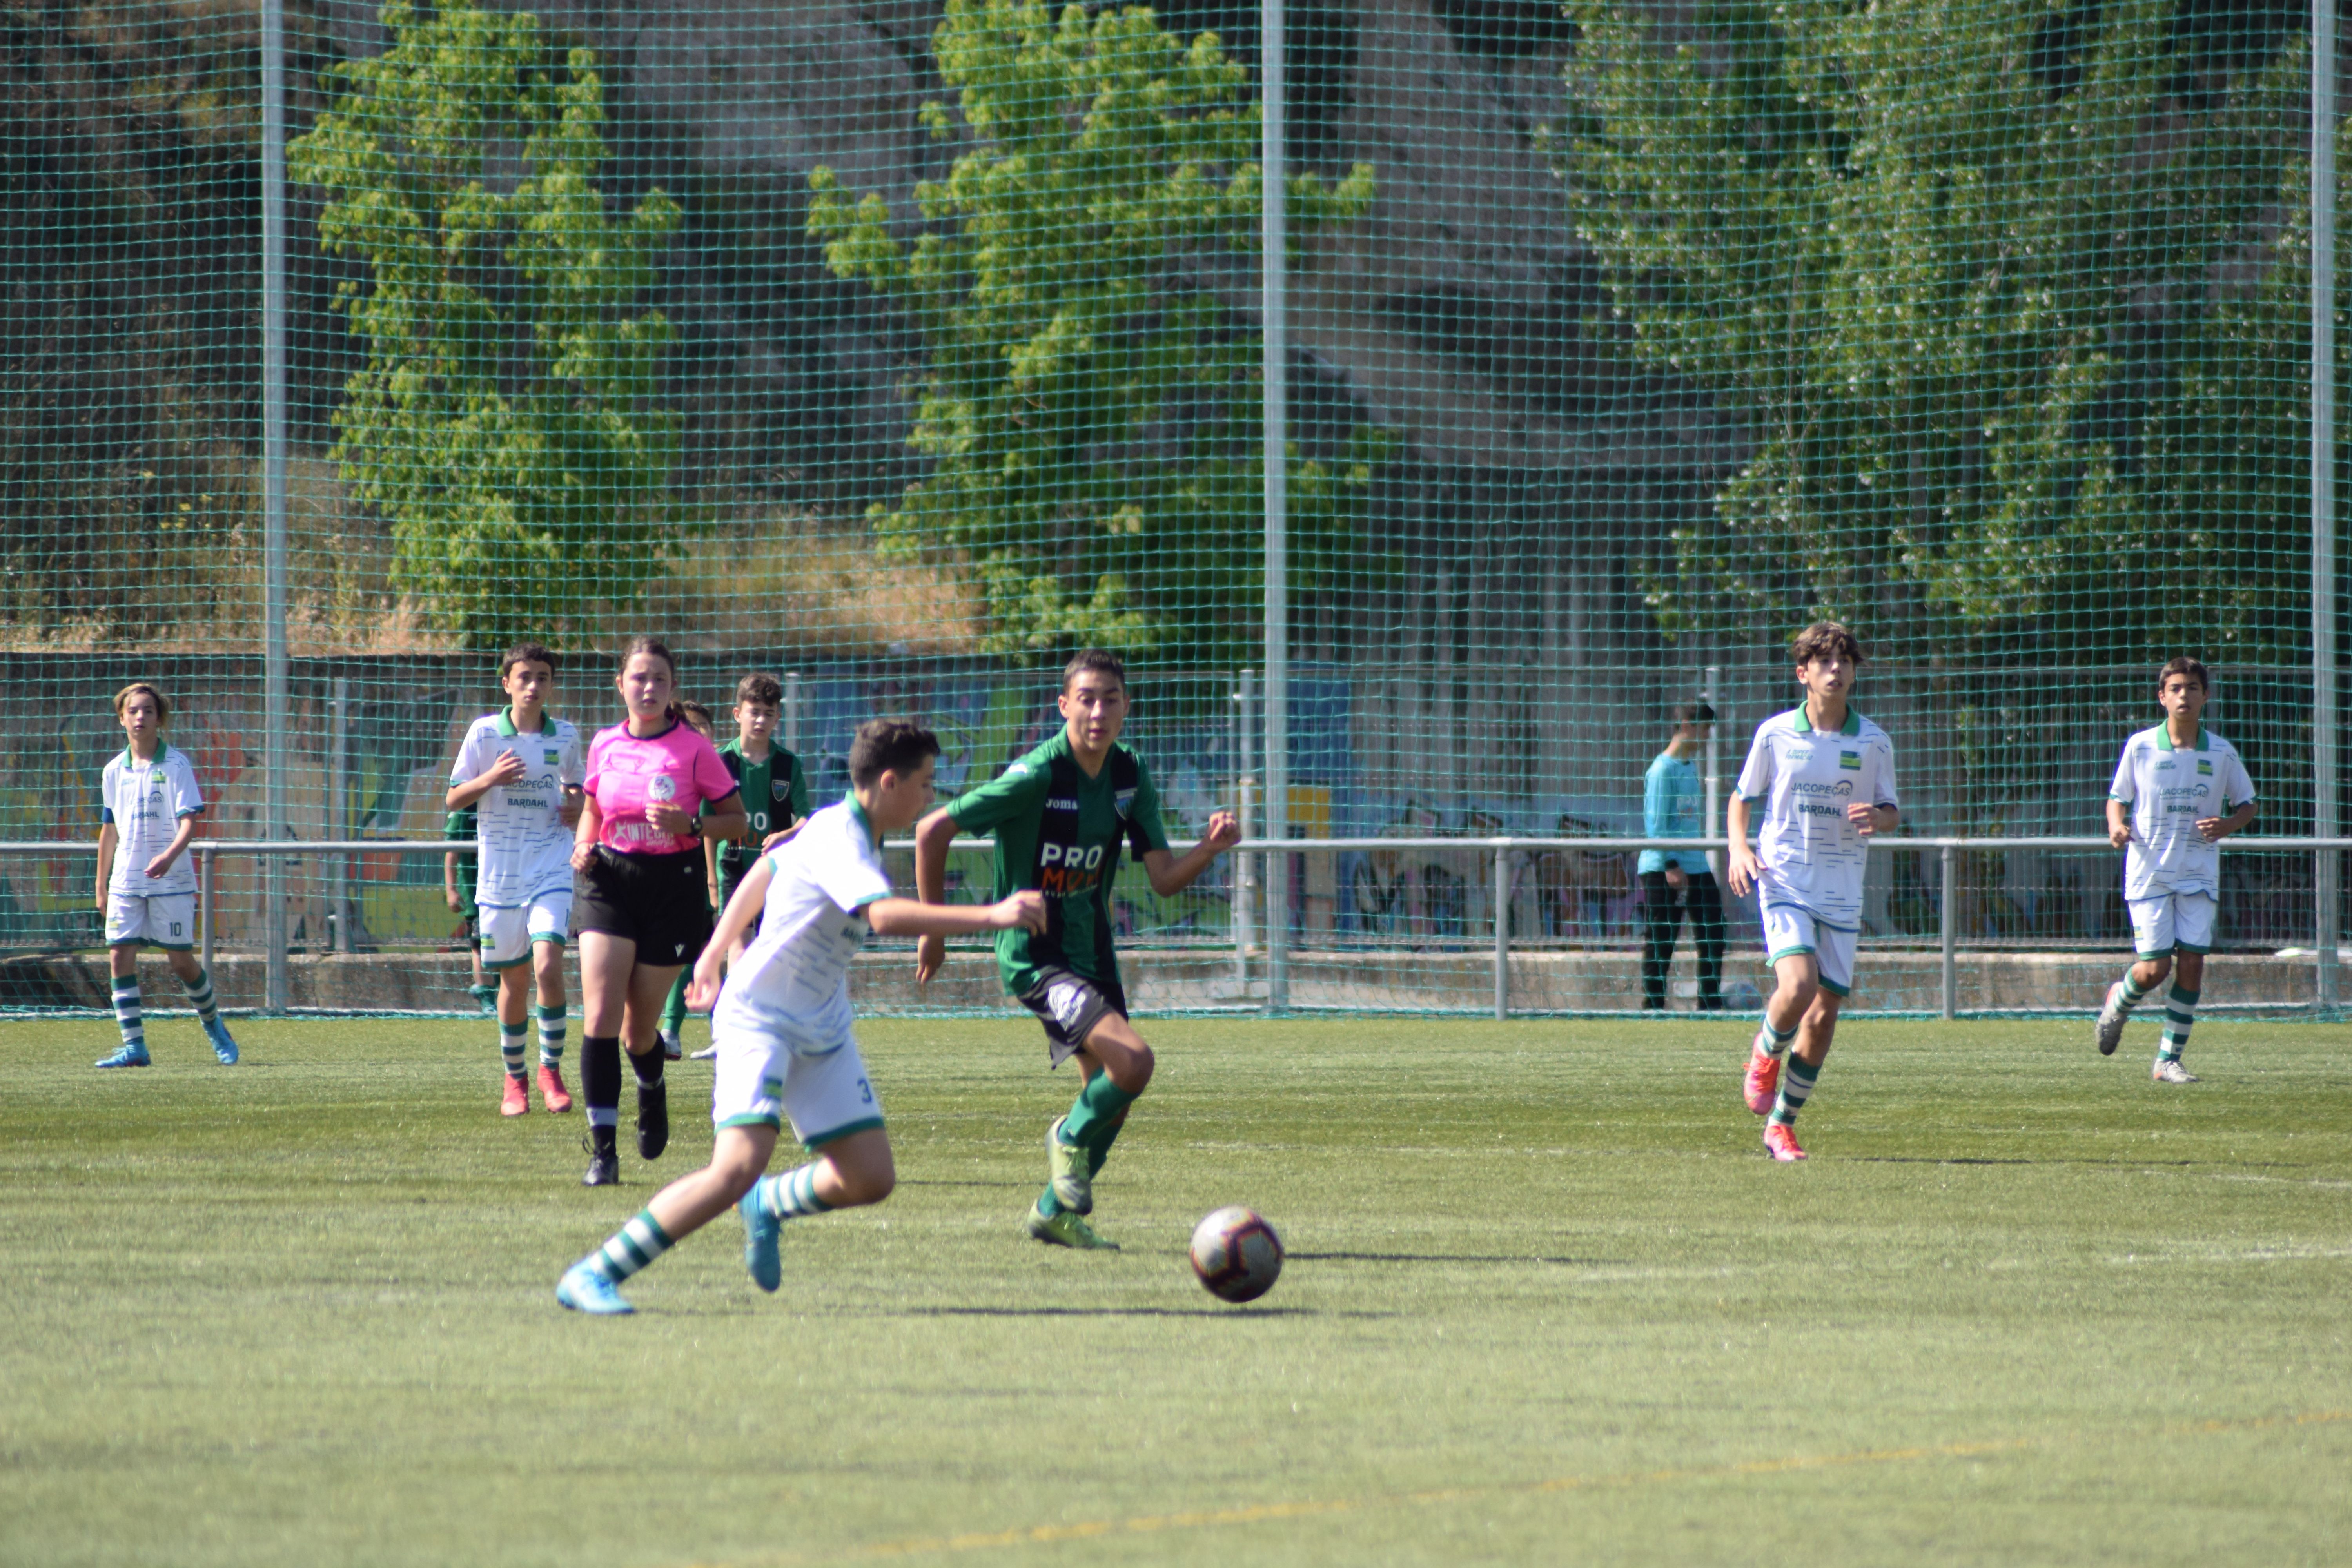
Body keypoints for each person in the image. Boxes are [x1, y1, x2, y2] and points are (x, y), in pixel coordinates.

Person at [556, 720, 1048, 1314]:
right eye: (925, 784)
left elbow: (767, 870)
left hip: (822, 1024)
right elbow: (885, 918)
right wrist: (995, 916)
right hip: (761, 1019)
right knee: (735, 1166)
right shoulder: (844, 836)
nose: (931, 797)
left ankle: (769, 1204)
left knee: (870, 1177)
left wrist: (715, 951)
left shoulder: (838, 824)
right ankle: (596, 1272)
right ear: (889, 783)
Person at [912, 649, 1240, 1249]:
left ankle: (1051, 1213)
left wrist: (1210, 849)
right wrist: (935, 930)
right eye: (1085, 698)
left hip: (1093, 956)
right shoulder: (1038, 775)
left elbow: (1163, 880)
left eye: (1109, 698)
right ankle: (1066, 1136)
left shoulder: (1128, 775)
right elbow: (932, 830)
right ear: (1064, 706)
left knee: (1116, 1097)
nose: (1098, 710)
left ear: (1126, 707)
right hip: (1036, 957)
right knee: (1136, 1063)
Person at [570, 639, 746, 1186]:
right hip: (608, 883)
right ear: (620, 683)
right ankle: (603, 1152)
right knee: (600, 1016)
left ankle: (652, 1085)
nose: (648, 688)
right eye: (639, 678)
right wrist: (583, 842)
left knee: (637, 1030)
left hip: (672, 887)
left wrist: (691, 826)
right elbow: (594, 807)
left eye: (659, 680)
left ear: (672, 689)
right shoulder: (603, 744)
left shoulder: (694, 749)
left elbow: (737, 822)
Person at [1727, 623, 1900, 1161]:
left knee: (1824, 1018)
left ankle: (1782, 1125)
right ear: (1803, 674)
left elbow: (1892, 811)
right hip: (1785, 880)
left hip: (1843, 892)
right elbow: (1741, 799)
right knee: (1797, 985)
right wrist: (1738, 849)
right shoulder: (1775, 734)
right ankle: (1764, 1054)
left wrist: (1879, 817)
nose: (1836, 669)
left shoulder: (1873, 741)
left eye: (1844, 660)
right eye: (1824, 661)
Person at [2093, 657, 2257, 1082]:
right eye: (2177, 688)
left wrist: (2227, 824)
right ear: (2162, 696)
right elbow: (2117, 798)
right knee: (2154, 969)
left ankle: (2168, 1060)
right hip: (2150, 870)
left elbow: (2247, 804)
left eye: (2193, 688)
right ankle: (2119, 999)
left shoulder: (2220, 751)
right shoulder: (2141, 745)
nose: (2185, 695)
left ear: (2206, 696)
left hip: (2198, 871)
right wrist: (2116, 826)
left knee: (2191, 965)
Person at [446, 644, 584, 1117]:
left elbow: (577, 788)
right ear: (506, 683)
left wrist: (577, 805)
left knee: (548, 964)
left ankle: (551, 1070)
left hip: (550, 864)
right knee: (515, 979)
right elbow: (453, 799)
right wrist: (491, 779)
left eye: (543, 677)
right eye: (524, 677)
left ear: (551, 684)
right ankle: (515, 1078)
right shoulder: (484, 733)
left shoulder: (565, 735)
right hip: (500, 874)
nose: (533, 685)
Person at [93, 682, 239, 1068]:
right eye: (134, 711)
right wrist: (101, 883)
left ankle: (215, 1027)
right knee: (119, 956)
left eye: (148, 711)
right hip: (127, 879)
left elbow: (189, 823)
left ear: (160, 719)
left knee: (180, 962)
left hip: (170, 881)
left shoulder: (176, 765)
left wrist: (169, 857)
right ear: (122, 718)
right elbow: (109, 830)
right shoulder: (113, 771)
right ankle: (135, 1048)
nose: (141, 717)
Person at [686, 673, 812, 1061]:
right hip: (733, 865)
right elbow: (707, 825)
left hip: (776, 870)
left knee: (773, 947)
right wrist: (710, 878)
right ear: (737, 713)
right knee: (735, 945)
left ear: (778, 719)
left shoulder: (788, 764)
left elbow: (807, 818)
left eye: (768, 714)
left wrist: (787, 834)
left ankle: (772, 1027)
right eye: (754, 712)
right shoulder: (720, 761)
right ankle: (730, 1031)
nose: (760, 720)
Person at [1637, 701, 1724, 1011]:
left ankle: (1710, 1004)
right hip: (1665, 867)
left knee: (1715, 930)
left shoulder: (1689, 767)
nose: (1707, 738)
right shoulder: (1662, 770)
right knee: (1662, 938)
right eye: (1705, 730)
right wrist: (1671, 865)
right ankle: (1653, 1006)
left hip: (1695, 864)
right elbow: (1656, 824)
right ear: (1687, 727)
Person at [653, 698, 720, 1061]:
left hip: (729, 876)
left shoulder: (721, 767)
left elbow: (721, 824)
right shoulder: (675, 770)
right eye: (689, 728)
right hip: (689, 875)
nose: (695, 735)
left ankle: (692, 1029)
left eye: (701, 728)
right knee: (691, 952)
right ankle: (674, 1030)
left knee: (706, 951)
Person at [442, 804, 497, 1015]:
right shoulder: (464, 811)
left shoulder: (503, 800)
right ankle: (487, 995)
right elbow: (451, 853)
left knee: (505, 944)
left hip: (505, 891)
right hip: (477, 895)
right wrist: (451, 891)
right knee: (481, 944)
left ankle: (492, 985)